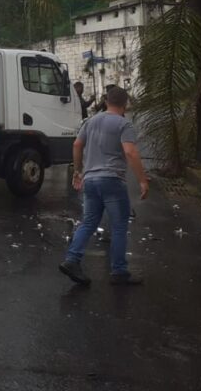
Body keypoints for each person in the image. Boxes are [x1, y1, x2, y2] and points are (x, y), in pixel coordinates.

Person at [59, 86, 149, 286]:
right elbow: (131, 152)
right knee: (119, 225)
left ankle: (72, 260)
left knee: (89, 222)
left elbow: (76, 145)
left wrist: (77, 171)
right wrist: (142, 180)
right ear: (125, 104)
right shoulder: (124, 124)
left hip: (90, 180)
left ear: (107, 102)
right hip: (112, 181)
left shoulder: (90, 121)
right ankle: (119, 272)